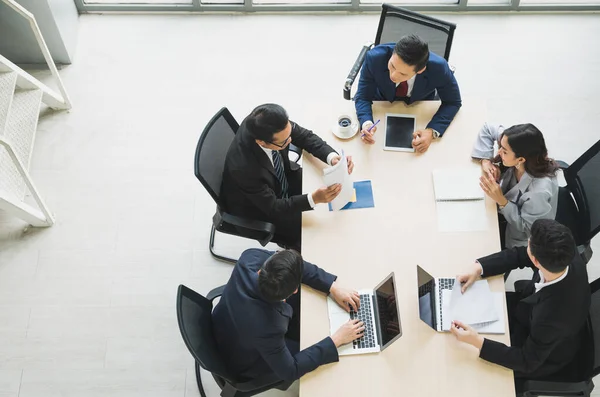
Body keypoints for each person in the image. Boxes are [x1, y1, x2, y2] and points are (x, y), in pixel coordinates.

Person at [450, 219, 591, 391]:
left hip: (539, 353)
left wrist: (478, 342)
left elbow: (527, 361)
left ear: (536, 261)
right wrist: (479, 267)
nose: (527, 245)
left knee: (465, 370)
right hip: (530, 310)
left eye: (529, 244)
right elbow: (519, 255)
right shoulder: (564, 253)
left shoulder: (554, 318)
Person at [212, 248, 365, 384]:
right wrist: (337, 339)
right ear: (294, 291)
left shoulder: (250, 258)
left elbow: (290, 266)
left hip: (227, 319)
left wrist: (333, 287)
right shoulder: (269, 329)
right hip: (242, 358)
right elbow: (291, 370)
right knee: (307, 343)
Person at [220, 104, 354, 251]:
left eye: (290, 133)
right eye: (284, 142)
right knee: (317, 236)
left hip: (278, 178)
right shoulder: (243, 169)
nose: (290, 141)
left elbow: (304, 136)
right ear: (261, 142)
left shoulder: (269, 123)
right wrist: (313, 199)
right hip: (260, 208)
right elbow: (273, 207)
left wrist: (333, 157)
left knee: (320, 184)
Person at [354, 34, 462, 153]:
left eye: (403, 74)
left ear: (420, 70)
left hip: (420, 104)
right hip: (383, 101)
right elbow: (363, 96)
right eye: (392, 66)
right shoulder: (374, 58)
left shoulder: (439, 68)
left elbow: (453, 102)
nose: (393, 76)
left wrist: (431, 132)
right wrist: (366, 123)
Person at [472, 123, 559, 249]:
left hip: (518, 233)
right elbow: (488, 129)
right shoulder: (511, 142)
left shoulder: (538, 191)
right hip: (501, 210)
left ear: (521, 159)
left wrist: (502, 201)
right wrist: (486, 159)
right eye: (500, 146)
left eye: (505, 151)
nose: (499, 151)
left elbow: (528, 229)